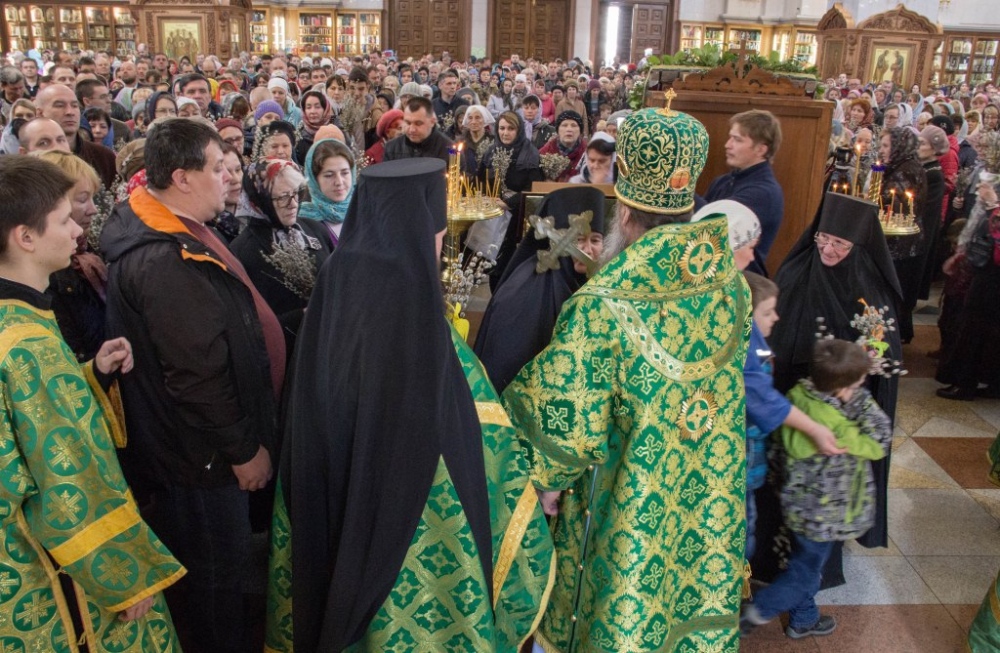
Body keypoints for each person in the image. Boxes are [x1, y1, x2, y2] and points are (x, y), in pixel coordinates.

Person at [265, 158, 554, 652]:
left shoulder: (339, 273)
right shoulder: (408, 292)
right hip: (417, 507)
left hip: (333, 481)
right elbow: (455, 407)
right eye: (439, 230)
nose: (440, 243)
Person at [503, 102, 751, 653]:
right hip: (702, 501)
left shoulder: (603, 305)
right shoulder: (731, 286)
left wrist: (543, 482)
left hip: (626, 506)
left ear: (624, 212)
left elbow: (562, 434)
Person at [100, 118, 284, 653]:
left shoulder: (180, 227)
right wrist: (243, 450)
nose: (229, 178)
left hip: (203, 454)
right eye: (217, 168)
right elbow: (196, 377)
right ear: (181, 178)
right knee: (215, 585)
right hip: (200, 461)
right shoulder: (164, 257)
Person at [0, 154, 185, 652]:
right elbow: (66, 472)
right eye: (64, 220)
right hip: (47, 562)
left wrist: (90, 376)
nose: (77, 231)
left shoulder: (13, 319)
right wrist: (121, 573)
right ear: (26, 237)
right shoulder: (28, 345)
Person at [758, 193, 902, 588]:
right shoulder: (797, 268)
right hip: (792, 396)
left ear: (859, 246)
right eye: (823, 238)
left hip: (839, 412)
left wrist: (867, 363)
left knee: (826, 491)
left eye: (840, 243)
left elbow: (884, 349)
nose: (828, 249)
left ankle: (813, 570)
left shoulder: (869, 286)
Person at [741, 339, 892, 640]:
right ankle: (756, 612)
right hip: (826, 516)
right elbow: (878, 442)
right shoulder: (836, 426)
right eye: (859, 382)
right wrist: (861, 402)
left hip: (796, 505)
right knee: (805, 573)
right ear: (843, 388)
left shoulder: (797, 397)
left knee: (803, 563)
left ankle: (804, 617)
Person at [474, 186, 605, 393]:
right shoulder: (524, 291)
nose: (588, 250)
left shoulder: (590, 280)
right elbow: (506, 368)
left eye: (595, 240)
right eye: (579, 240)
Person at [231, 159, 334, 351]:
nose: (293, 204)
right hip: (287, 352)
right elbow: (248, 326)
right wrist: (302, 316)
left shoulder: (315, 229)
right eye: (282, 197)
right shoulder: (243, 252)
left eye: (296, 193)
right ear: (258, 201)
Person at [703, 109, 785, 276]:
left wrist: (680, 189)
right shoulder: (723, 181)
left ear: (760, 150)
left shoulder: (763, 193)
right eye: (730, 137)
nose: (728, 145)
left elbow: (710, 227)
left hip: (740, 283)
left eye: (737, 139)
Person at [878, 127, 928, 343]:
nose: (881, 150)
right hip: (906, 240)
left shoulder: (904, 171)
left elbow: (894, 206)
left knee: (894, 289)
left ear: (899, 146)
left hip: (900, 240)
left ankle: (891, 337)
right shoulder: (905, 165)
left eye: (885, 146)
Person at [35, 84, 117, 189]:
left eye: (74, 106)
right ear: (40, 113)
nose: (70, 112)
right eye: (60, 105)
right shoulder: (32, 160)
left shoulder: (104, 157)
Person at [299, 137, 356, 245]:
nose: (339, 182)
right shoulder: (303, 222)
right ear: (314, 179)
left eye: (344, 173)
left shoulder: (364, 212)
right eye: (329, 175)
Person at [384, 96, 453, 163]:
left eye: (418, 123)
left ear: (432, 122)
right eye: (408, 123)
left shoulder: (450, 150)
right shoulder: (391, 148)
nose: (412, 129)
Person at [538, 110, 587, 182]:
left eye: (574, 125)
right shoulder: (545, 153)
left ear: (580, 131)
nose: (569, 129)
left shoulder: (588, 153)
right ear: (557, 130)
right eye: (564, 125)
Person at [293, 89, 332, 165]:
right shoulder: (299, 135)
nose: (313, 111)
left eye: (317, 107)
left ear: (325, 109)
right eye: (308, 107)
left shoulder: (336, 131)